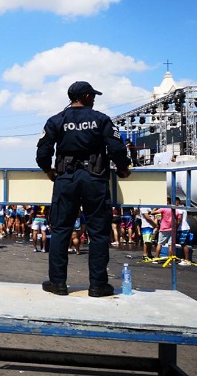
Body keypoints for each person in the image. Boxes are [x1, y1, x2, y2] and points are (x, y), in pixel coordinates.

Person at [36, 81, 131, 297]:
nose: (95, 99)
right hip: (95, 178)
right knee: (98, 233)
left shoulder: (56, 120)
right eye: (93, 96)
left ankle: (57, 283)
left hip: (65, 179)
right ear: (87, 97)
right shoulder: (101, 119)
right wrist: (123, 168)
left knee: (61, 230)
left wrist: (48, 171)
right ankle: (98, 285)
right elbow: (116, 147)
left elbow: (43, 151)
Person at [152, 197, 178, 262]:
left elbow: (152, 212)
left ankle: (156, 258)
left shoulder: (163, 208)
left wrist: (156, 207)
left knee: (159, 243)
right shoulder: (174, 209)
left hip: (163, 228)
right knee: (170, 245)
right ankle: (169, 259)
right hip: (171, 229)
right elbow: (177, 218)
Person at [175, 198, 191, 266]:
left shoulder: (179, 209)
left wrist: (175, 227)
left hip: (183, 228)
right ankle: (184, 258)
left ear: (177, 202)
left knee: (183, 244)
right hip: (183, 228)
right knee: (182, 244)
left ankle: (187, 260)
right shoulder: (182, 207)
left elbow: (179, 219)